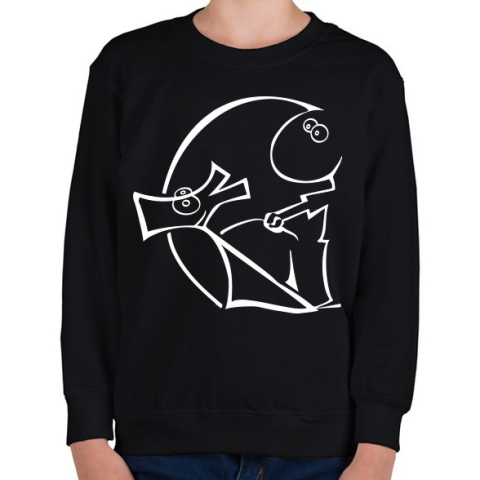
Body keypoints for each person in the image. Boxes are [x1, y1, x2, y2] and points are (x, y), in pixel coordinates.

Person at [61, 0, 420, 479]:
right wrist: (87, 435)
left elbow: (391, 264)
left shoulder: (363, 73)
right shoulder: (132, 66)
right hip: (158, 448)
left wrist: (378, 444)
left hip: (327, 452)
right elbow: (90, 254)